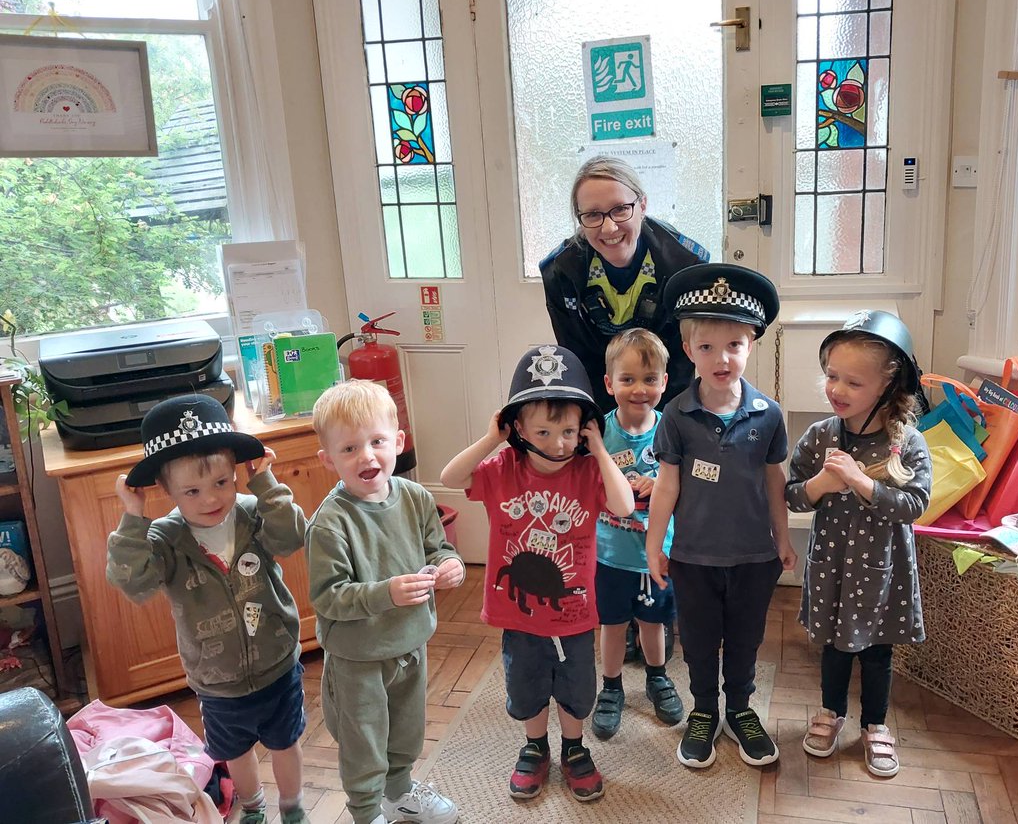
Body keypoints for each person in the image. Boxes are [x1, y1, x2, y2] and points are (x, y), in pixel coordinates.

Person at [441, 345, 634, 803]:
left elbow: (624, 505)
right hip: (519, 616)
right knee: (526, 688)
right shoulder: (501, 469)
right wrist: (491, 438)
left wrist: (601, 449)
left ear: (584, 430)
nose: (558, 443)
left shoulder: (589, 471)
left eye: (569, 431)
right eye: (544, 431)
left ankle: (573, 747)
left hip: (574, 615)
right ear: (518, 430)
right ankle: (534, 747)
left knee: (575, 690)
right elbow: (450, 476)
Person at [107, 394, 311, 824]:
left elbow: (292, 538)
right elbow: (134, 583)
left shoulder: (253, 513)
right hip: (217, 681)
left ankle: (293, 808)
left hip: (277, 663)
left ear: (237, 470)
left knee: (286, 741)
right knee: (235, 751)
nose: (209, 498)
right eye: (192, 491)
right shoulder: (163, 539)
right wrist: (133, 517)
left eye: (222, 482)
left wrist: (268, 484)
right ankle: (253, 807)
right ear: (165, 491)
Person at [645, 263, 795, 770]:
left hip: (754, 555)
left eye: (734, 344)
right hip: (693, 556)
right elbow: (666, 486)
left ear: (751, 344)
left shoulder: (769, 415)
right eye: (707, 347)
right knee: (701, 638)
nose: (721, 357)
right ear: (688, 351)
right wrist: (653, 545)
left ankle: (740, 708)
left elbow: (774, 479)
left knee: (747, 637)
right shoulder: (676, 416)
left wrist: (783, 537)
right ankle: (705, 710)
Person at [307, 380, 464, 824]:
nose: (367, 457)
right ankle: (364, 812)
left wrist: (450, 565)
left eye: (377, 442)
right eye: (350, 448)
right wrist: (386, 593)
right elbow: (327, 597)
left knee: (406, 731)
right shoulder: (329, 523)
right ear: (328, 459)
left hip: (410, 643)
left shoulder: (415, 497)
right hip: (358, 657)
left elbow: (439, 548)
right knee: (364, 741)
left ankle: (398, 793)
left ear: (398, 442)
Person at [784, 310, 933, 779]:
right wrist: (824, 485)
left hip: (883, 569)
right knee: (834, 645)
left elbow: (915, 505)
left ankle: (874, 725)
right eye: (831, 376)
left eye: (853, 382)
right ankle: (830, 711)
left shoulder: (906, 443)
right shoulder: (820, 435)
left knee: (877, 650)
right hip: (832, 564)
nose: (836, 390)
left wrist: (860, 483)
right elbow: (791, 494)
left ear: (890, 387)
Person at [539, 155, 710, 415]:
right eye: (593, 214)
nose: (609, 228)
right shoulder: (559, 272)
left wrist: (668, 429)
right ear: (579, 218)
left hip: (666, 394)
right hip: (602, 397)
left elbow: (681, 361)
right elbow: (579, 359)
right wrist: (602, 427)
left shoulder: (686, 265)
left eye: (620, 209)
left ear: (642, 205)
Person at [591, 328, 684, 741]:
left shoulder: (673, 431)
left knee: (653, 622)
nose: (639, 389)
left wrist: (659, 483)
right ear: (610, 383)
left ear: (664, 382)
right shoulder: (597, 434)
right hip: (609, 553)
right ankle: (611, 687)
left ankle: (657, 677)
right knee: (611, 625)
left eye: (650, 379)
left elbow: (686, 486)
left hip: (657, 553)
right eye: (627, 379)